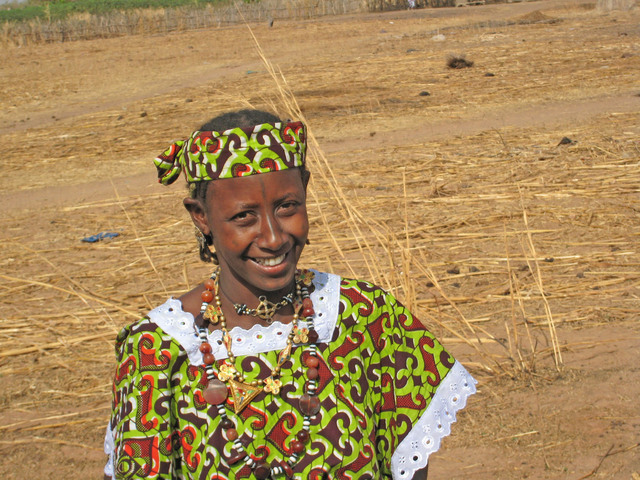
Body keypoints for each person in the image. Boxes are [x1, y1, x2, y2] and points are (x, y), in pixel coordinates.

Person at [104, 109, 476, 480]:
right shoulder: (157, 349)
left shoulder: (365, 319)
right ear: (201, 216)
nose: (273, 237)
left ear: (306, 190)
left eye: (286, 207)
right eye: (244, 216)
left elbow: (410, 470)